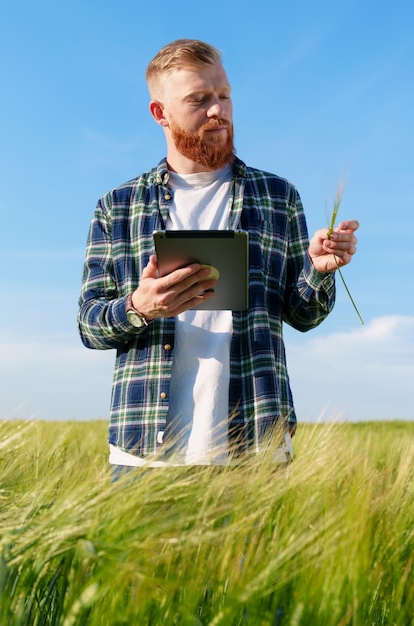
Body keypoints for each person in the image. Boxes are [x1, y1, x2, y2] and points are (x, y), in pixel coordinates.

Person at [77, 39, 359, 469]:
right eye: (199, 99)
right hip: (145, 454)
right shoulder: (116, 206)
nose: (218, 110)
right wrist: (140, 306)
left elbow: (304, 315)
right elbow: (89, 325)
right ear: (160, 113)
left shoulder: (277, 196)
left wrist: (319, 271)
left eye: (224, 95)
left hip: (256, 444)